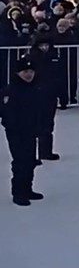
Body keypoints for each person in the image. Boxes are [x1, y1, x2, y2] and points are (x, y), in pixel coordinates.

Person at [1, 58, 43, 206]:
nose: (29, 75)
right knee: (20, 162)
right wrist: (13, 127)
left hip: (31, 131)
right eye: (25, 72)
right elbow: (6, 113)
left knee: (30, 161)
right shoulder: (11, 90)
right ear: (18, 73)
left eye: (31, 71)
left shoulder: (35, 88)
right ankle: (18, 192)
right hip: (17, 133)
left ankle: (27, 189)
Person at [28, 37, 67, 162]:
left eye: (46, 45)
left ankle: (46, 151)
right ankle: (32, 154)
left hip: (50, 94)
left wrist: (63, 97)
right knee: (32, 125)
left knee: (48, 124)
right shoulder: (30, 59)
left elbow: (61, 78)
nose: (44, 48)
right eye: (42, 45)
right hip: (34, 95)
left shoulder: (55, 58)